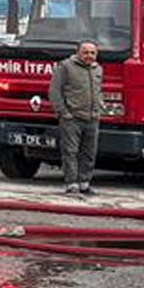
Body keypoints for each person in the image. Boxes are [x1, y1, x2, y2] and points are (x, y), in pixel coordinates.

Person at [52, 38, 106, 198]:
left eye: (92, 53)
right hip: (72, 118)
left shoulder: (98, 69)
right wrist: (64, 113)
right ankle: (71, 185)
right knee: (70, 152)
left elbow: (98, 90)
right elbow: (55, 92)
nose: (89, 55)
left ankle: (85, 183)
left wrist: (100, 107)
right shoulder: (65, 67)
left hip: (93, 118)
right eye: (86, 52)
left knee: (89, 152)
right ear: (78, 53)